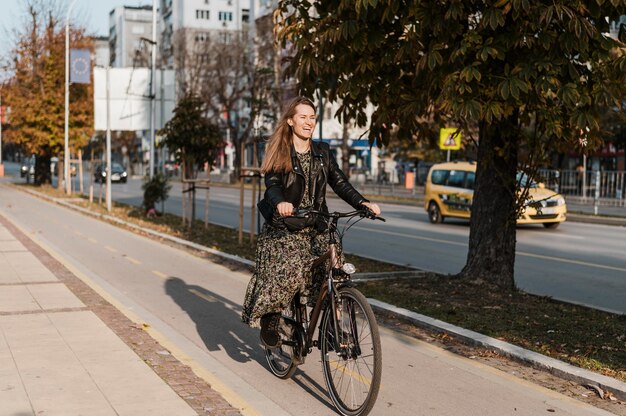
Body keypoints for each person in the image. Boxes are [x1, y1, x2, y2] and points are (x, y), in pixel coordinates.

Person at [241, 96, 381, 348]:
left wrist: (362, 203)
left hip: (316, 224)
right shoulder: (280, 150)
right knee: (292, 265)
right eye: (303, 117)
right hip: (286, 225)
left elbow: (339, 183)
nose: (308, 122)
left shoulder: (323, 152)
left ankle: (332, 328)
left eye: (312, 118)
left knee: (335, 267)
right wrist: (281, 203)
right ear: (291, 121)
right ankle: (271, 319)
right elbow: (272, 185)